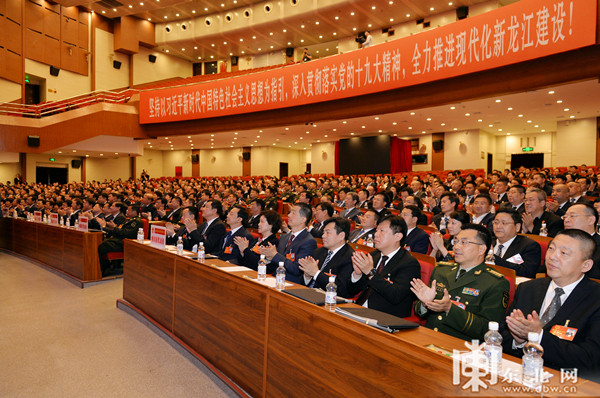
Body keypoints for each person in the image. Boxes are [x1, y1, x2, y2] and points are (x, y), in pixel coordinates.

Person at [499, 229, 600, 381]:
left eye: (564, 253)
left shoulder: (596, 299)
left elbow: (590, 359)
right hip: (520, 373)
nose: (552, 257)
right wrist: (518, 340)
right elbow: (502, 334)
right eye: (551, 249)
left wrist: (538, 336)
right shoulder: (528, 288)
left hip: (568, 382)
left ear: (585, 265)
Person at [411, 224, 510, 341]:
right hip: (428, 338)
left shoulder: (495, 282)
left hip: (461, 347)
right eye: (456, 241)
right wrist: (424, 304)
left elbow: (486, 330)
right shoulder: (441, 270)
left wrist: (450, 309)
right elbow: (420, 313)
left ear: (481, 249)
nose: (456, 247)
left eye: (464, 243)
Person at [348, 215, 420, 317]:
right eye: (376, 230)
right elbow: (351, 291)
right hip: (360, 309)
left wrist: (371, 273)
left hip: (385, 316)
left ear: (398, 236)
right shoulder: (373, 255)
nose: (375, 235)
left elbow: (396, 296)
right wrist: (357, 275)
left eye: (382, 231)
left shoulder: (409, 263)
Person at [258, 203, 317, 284]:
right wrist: (268, 257)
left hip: (291, 284)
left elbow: (297, 269)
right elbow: (276, 261)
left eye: (293, 213)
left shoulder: (308, 241)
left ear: (303, 219)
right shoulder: (284, 237)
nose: (288, 215)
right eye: (290, 212)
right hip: (275, 279)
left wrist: (275, 255)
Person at [298, 217, 355, 298]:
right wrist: (307, 276)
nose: (323, 236)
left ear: (341, 236)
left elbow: (341, 289)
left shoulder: (350, 257)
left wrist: (316, 273)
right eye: (323, 232)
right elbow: (303, 283)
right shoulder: (318, 252)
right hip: (309, 295)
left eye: (328, 233)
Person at [492, 209, 541, 278]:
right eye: (496, 222)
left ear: (517, 227)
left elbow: (527, 272)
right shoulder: (486, 242)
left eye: (504, 223)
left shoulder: (529, 246)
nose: (498, 226)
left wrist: (494, 259)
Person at [97, 204, 143, 276]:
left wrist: (114, 227)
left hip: (125, 243)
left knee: (103, 246)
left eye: (129, 210)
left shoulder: (136, 221)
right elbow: (120, 230)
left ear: (134, 211)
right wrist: (114, 227)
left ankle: (104, 267)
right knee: (101, 242)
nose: (126, 211)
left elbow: (127, 233)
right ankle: (103, 266)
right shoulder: (129, 220)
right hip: (118, 240)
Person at [562, 203, 600, 278]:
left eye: (572, 216)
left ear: (591, 220)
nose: (566, 220)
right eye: (565, 217)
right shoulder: (559, 242)